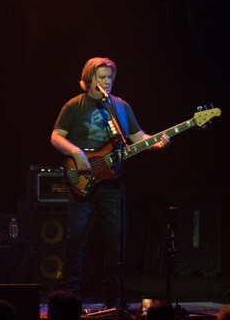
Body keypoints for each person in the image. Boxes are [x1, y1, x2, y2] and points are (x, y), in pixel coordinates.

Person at [50, 57, 168, 305]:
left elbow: (137, 137)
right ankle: (69, 300)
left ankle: (114, 300)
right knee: (77, 240)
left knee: (116, 244)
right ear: (88, 79)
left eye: (110, 77)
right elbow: (56, 137)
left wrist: (156, 142)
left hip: (112, 184)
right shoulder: (74, 106)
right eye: (101, 77)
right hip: (82, 182)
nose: (107, 82)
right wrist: (76, 152)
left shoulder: (120, 107)